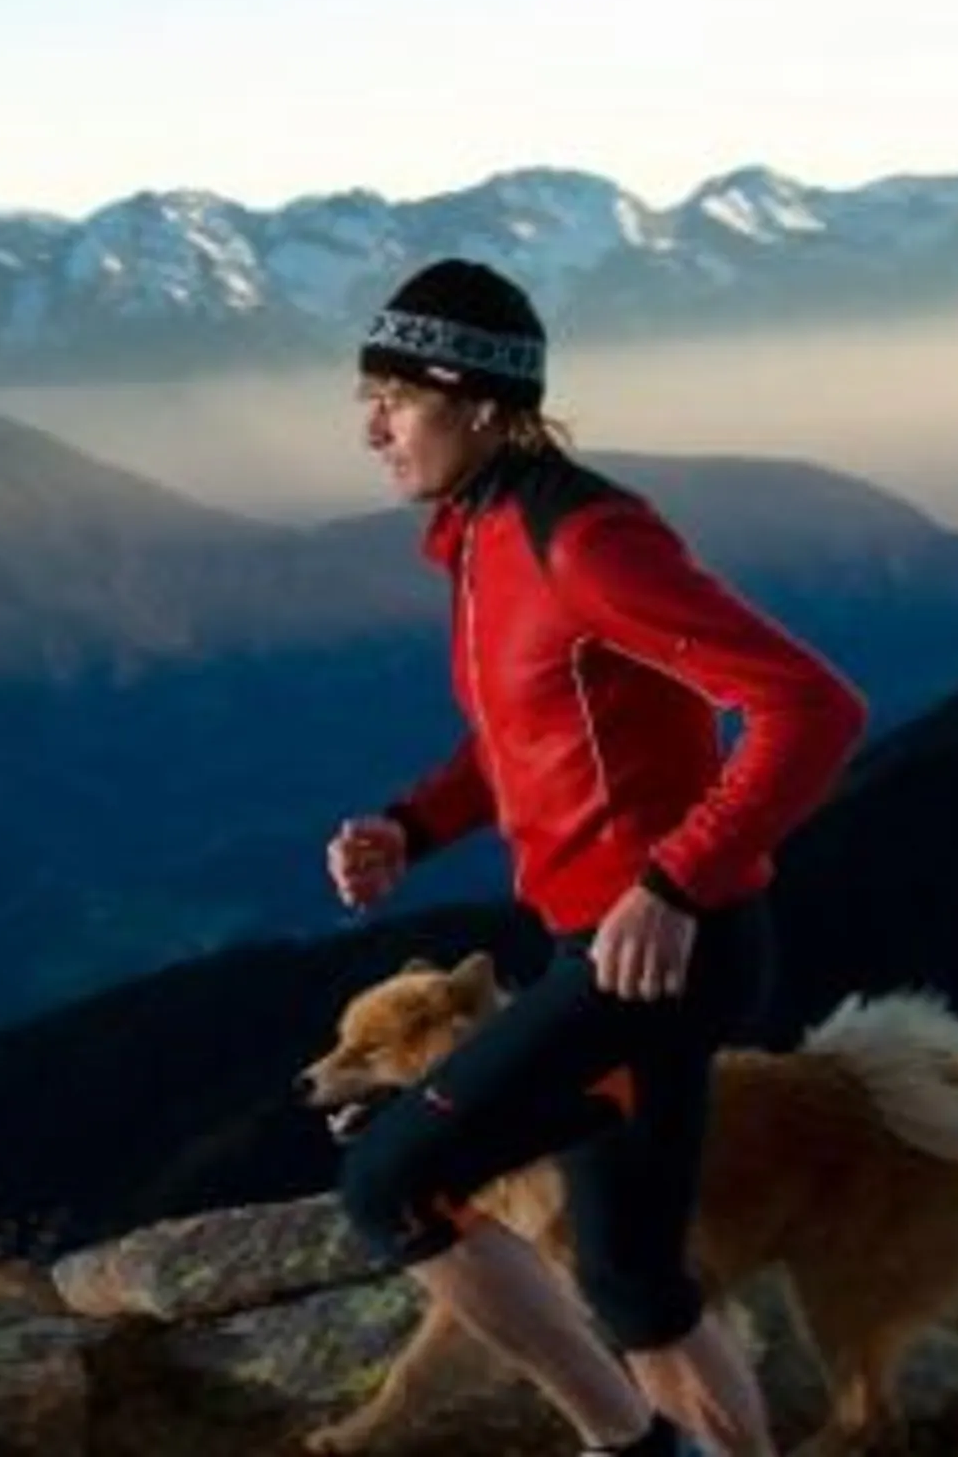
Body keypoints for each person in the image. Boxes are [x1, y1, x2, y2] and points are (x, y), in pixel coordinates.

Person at [322, 257, 869, 1457]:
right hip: (622, 947)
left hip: (663, 957)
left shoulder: (586, 541)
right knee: (633, 1282)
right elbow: (527, 732)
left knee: (391, 1183)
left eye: (395, 400)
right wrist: (413, 827)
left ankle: (634, 1446)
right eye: (368, 398)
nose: (371, 429)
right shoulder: (482, 534)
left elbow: (813, 708)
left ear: (478, 402)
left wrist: (676, 880)